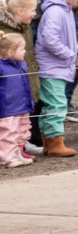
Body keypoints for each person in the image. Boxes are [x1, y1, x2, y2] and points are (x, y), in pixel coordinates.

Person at [35, 0, 78, 158]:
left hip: (58, 65)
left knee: (54, 104)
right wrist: (69, 53)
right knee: (57, 104)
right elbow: (50, 39)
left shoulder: (65, 10)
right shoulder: (56, 11)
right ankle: (55, 141)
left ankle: (49, 141)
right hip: (53, 66)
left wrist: (75, 48)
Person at [0, 34, 36, 167]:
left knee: (22, 131)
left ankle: (17, 154)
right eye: (22, 49)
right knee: (8, 133)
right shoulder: (1, 67)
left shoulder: (22, 65)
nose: (25, 51)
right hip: (8, 108)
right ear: (10, 52)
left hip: (22, 105)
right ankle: (6, 157)